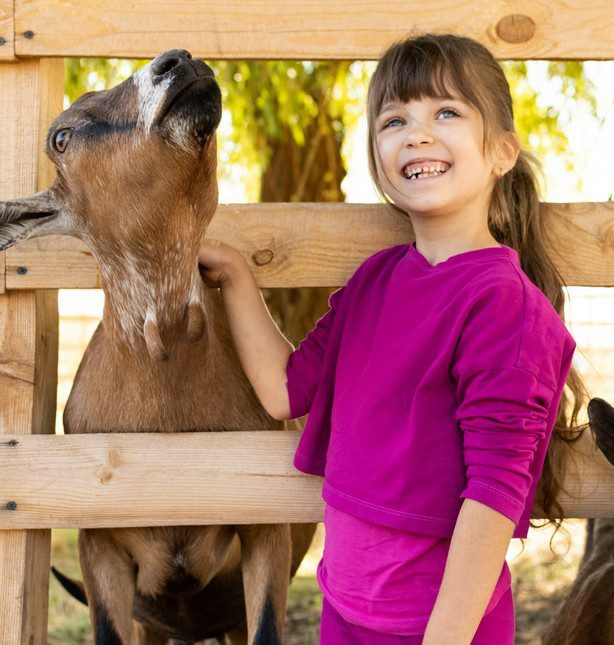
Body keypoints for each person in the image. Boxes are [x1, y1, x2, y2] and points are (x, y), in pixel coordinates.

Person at [197, 33, 587, 644]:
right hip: (344, 613)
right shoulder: (374, 281)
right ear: (378, 156)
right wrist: (239, 282)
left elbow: (494, 498)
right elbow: (284, 391)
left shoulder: (505, 307)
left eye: (447, 112)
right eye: (394, 119)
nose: (418, 133)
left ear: (502, 151)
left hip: (439, 629)